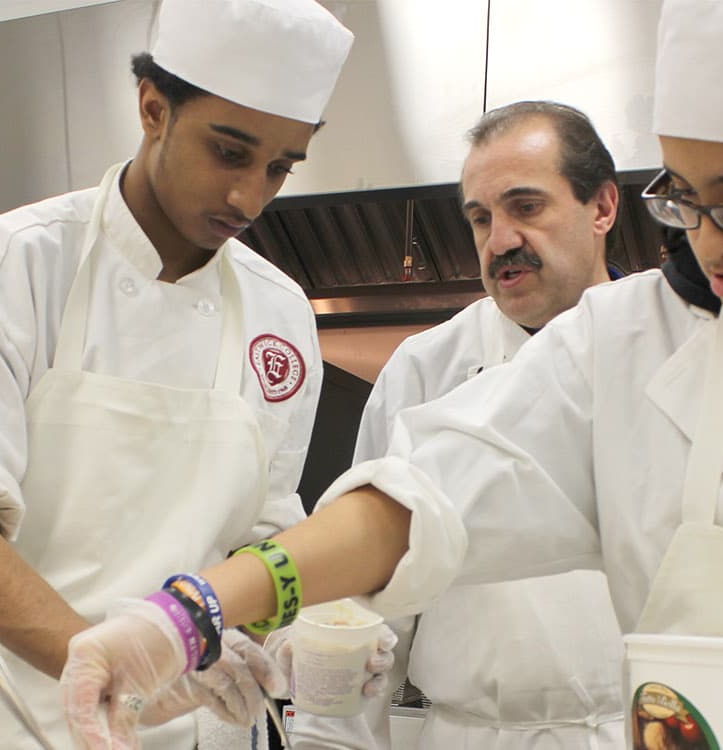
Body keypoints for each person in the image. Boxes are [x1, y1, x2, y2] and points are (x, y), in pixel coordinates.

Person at [58, 0, 723, 745]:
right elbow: (417, 501)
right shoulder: (627, 340)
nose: (710, 239)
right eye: (684, 191)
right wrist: (189, 613)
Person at [0, 1, 354, 747]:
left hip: (195, 716)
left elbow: (261, 532)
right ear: (153, 108)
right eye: (229, 153)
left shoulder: (280, 313)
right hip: (12, 707)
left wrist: (290, 629)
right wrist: (104, 666)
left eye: (278, 167)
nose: (250, 197)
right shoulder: (9, 266)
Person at [288, 100, 626, 750]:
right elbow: (361, 598)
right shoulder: (424, 367)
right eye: (480, 218)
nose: (499, 241)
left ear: (602, 208)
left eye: (525, 207)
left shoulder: (663, 352)